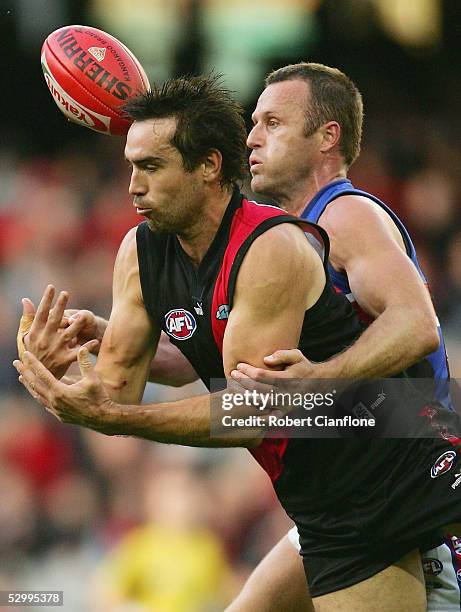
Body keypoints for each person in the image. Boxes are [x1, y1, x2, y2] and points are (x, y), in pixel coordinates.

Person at [15, 73, 461, 612]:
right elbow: (232, 363)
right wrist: (103, 347)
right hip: (328, 482)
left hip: (395, 471)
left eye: (272, 123)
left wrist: (317, 381)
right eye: (252, 124)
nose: (252, 138)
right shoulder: (240, 240)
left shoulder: (340, 214)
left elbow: (415, 328)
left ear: (327, 137)